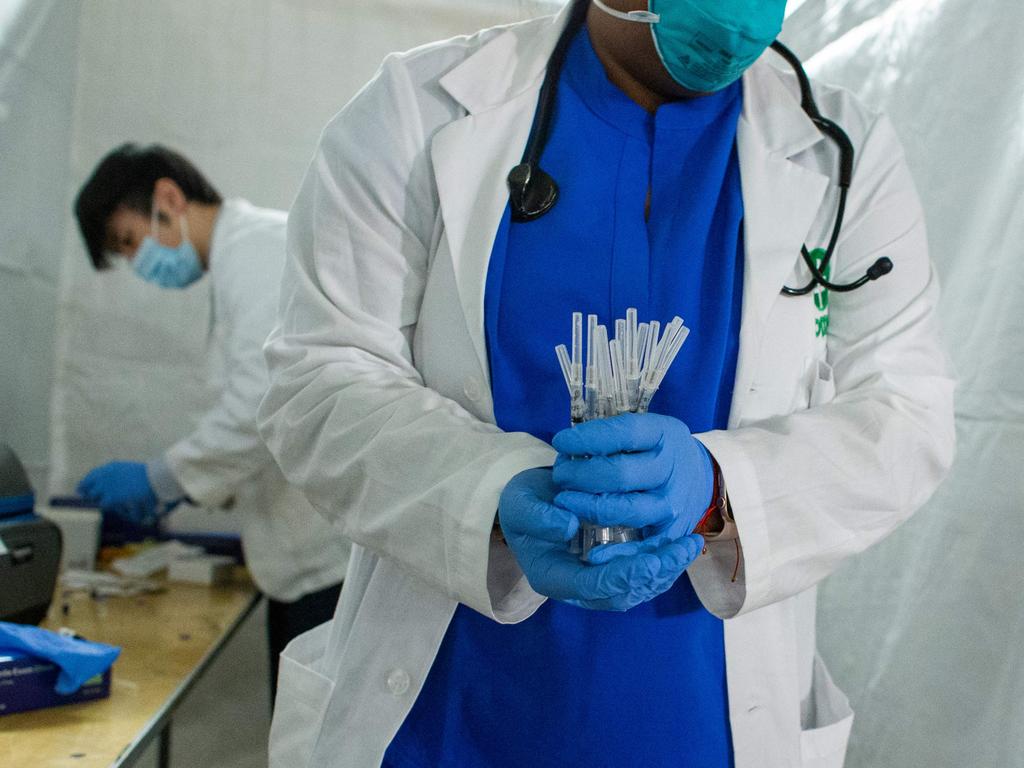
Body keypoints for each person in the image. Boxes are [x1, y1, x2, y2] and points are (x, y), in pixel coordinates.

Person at [258, 1, 955, 766]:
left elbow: (906, 414)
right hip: (442, 720)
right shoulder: (414, 112)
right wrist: (488, 496)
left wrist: (718, 489)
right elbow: (319, 380)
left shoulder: (843, 156)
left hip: (704, 730)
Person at [72, 144, 350, 692]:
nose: (140, 264)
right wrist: (189, 485)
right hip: (305, 562)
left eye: (131, 241)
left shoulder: (258, 251)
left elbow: (264, 403)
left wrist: (163, 477)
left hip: (329, 563)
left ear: (169, 198)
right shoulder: (237, 262)